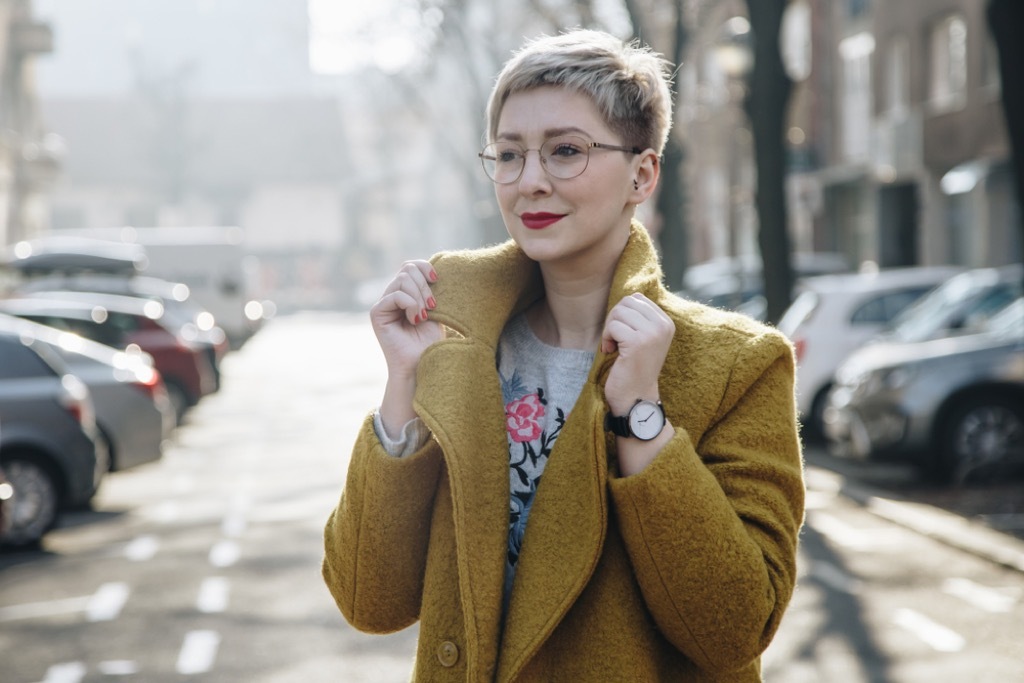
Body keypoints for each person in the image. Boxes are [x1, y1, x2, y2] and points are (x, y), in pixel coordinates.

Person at [323, 28, 804, 682]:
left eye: (566, 151)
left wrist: (641, 416)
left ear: (643, 173)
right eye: (510, 155)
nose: (530, 182)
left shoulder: (736, 363)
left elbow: (736, 627)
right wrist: (403, 385)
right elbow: (369, 600)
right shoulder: (458, 341)